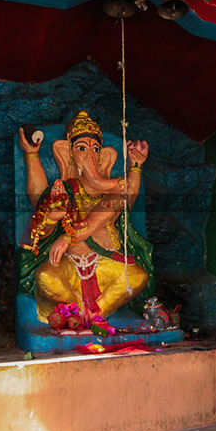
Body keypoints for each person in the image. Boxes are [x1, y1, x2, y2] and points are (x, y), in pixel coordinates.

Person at [17, 111, 153, 322]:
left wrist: (135, 166)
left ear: (103, 157)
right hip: (69, 263)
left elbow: (127, 198)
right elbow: (39, 201)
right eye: (81, 148)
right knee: (45, 278)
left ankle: (94, 313)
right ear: (67, 154)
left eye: (96, 149)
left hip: (107, 261)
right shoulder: (66, 190)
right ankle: (77, 312)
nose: (91, 155)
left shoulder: (113, 194)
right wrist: (31, 155)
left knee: (137, 277)